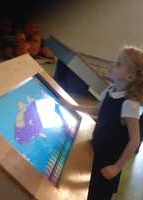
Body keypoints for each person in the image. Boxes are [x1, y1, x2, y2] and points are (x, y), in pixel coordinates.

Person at [61, 46, 143, 200]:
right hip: (96, 151)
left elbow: (135, 140)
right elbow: (96, 110)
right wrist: (71, 106)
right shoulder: (110, 90)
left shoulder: (129, 104)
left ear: (130, 77)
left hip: (109, 160)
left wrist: (117, 167)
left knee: (100, 194)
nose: (112, 64)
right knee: (89, 190)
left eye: (118, 64)